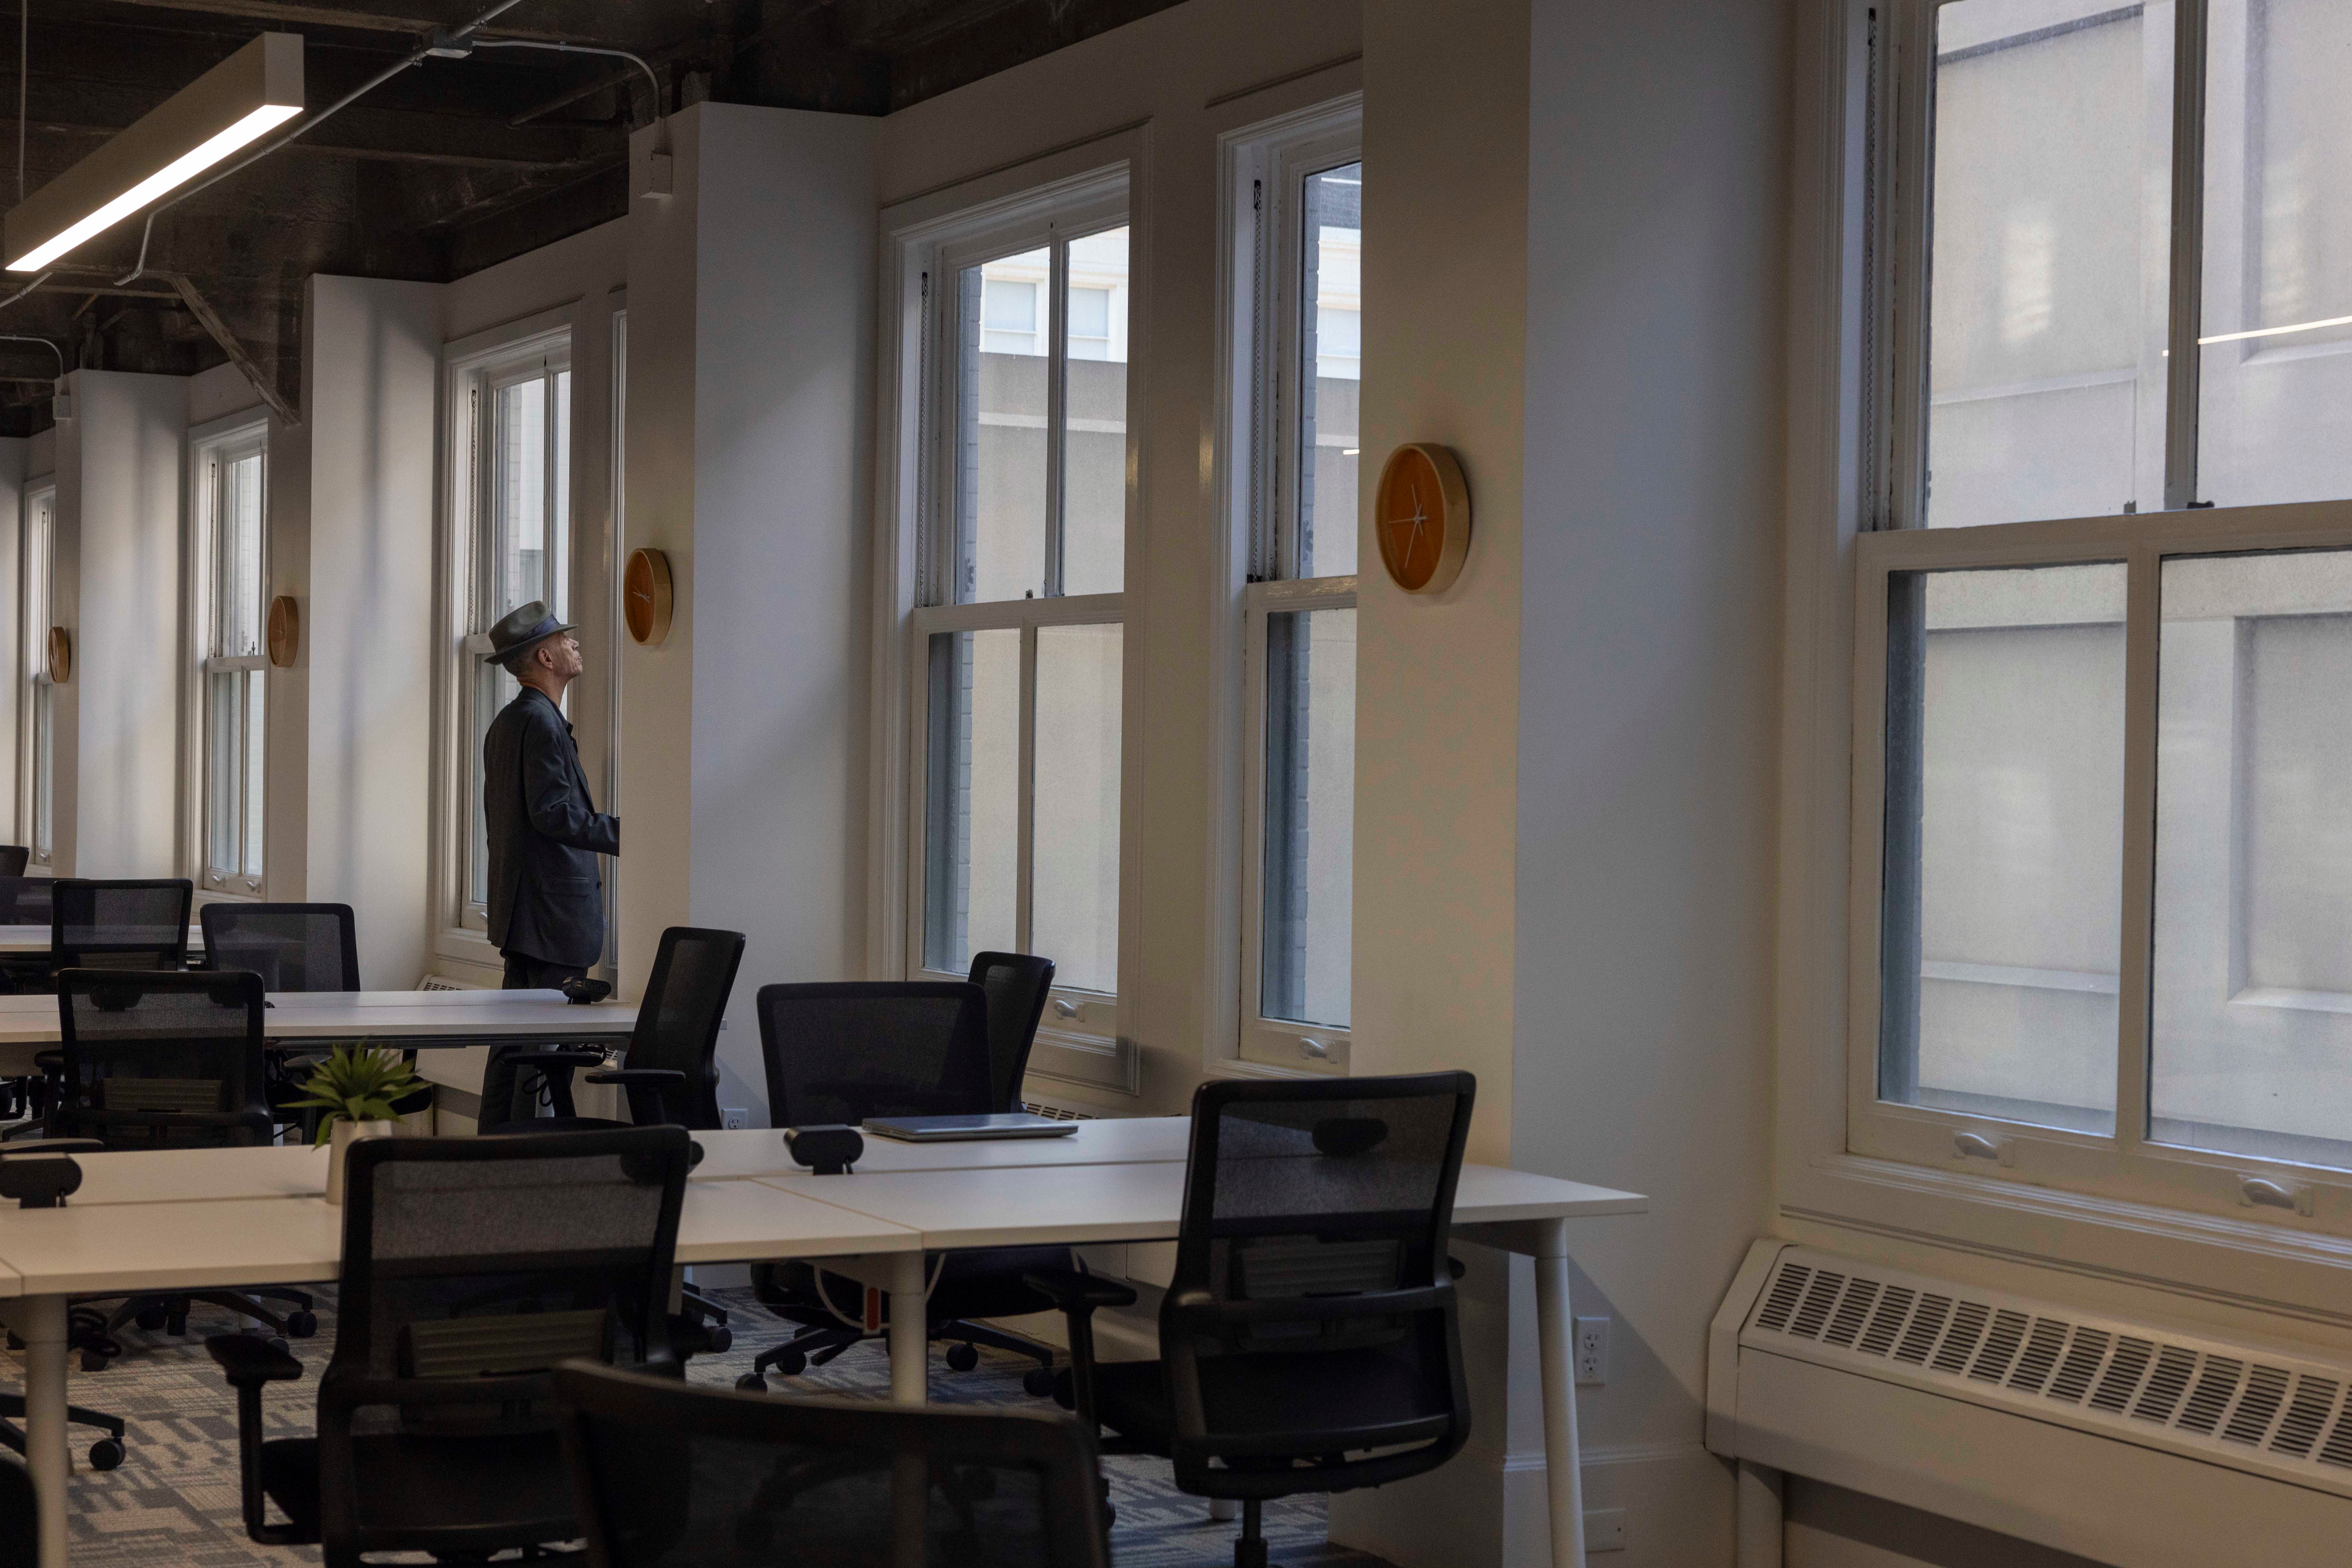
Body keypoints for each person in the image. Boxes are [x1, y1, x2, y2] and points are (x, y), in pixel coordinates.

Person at [477, 600, 619, 1128]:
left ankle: (492, 1152)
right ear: (545, 656)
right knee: (534, 1051)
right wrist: (632, 834)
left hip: (523, 914)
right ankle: (515, 1163)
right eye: (566, 639)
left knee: (511, 1046)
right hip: (554, 916)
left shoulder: (510, 721)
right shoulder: (539, 723)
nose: (574, 644)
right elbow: (553, 815)